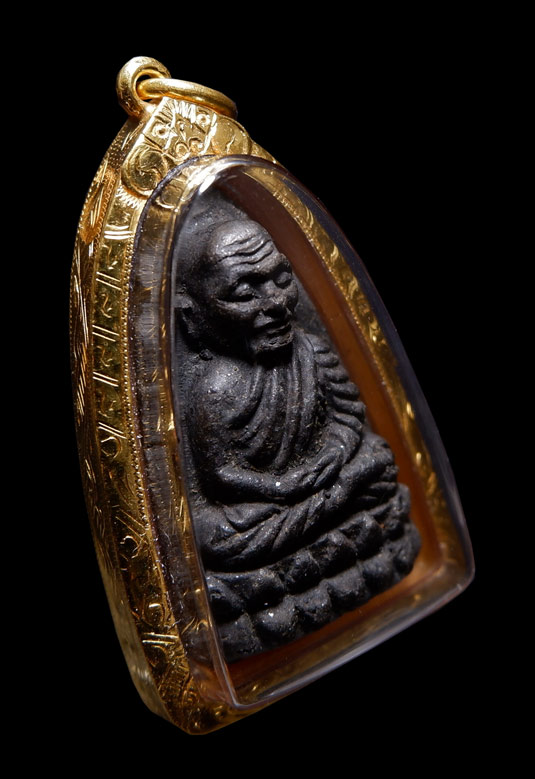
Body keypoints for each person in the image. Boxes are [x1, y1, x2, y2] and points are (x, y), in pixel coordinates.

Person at [175, 215, 420, 661]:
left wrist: (335, 456)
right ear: (194, 317)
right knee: (214, 538)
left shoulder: (311, 350)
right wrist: (279, 487)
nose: (275, 303)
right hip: (266, 507)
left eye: (282, 279)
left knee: (378, 460)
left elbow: (349, 414)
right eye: (244, 293)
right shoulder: (214, 388)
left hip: (322, 484)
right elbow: (219, 474)